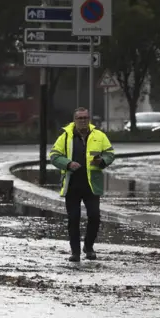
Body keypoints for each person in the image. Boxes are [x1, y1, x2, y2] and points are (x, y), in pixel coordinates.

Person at [50, 107, 116, 262]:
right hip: (72, 184)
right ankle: (75, 252)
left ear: (89, 119)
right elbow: (54, 156)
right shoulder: (65, 137)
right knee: (74, 218)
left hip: (92, 185)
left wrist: (102, 161)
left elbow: (110, 153)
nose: (83, 121)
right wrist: (67, 163)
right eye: (79, 118)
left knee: (94, 216)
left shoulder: (99, 136)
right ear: (74, 120)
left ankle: (89, 246)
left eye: (85, 118)